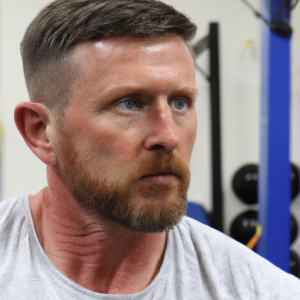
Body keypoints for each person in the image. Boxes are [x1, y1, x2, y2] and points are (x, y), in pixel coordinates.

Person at [0, 0, 299, 299]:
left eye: (179, 102)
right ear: (40, 131)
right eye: (129, 103)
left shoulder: (261, 290)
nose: (169, 137)